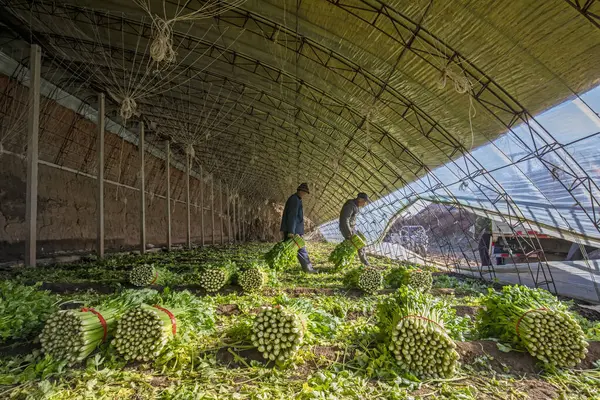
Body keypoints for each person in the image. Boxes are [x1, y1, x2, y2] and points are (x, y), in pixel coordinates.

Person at [280, 183, 316, 273]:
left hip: (293, 229)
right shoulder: (295, 200)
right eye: (304, 192)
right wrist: (291, 231)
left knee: (286, 249)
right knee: (301, 249)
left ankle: (275, 267)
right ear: (300, 191)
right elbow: (293, 216)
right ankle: (308, 269)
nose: (304, 194)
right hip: (294, 231)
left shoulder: (297, 199)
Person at [339, 193, 370, 266]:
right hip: (347, 228)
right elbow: (344, 219)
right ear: (360, 199)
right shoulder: (350, 206)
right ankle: (365, 263)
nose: (364, 204)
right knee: (359, 244)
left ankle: (341, 262)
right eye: (364, 202)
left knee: (356, 244)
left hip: (351, 228)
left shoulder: (355, 205)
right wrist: (348, 232)